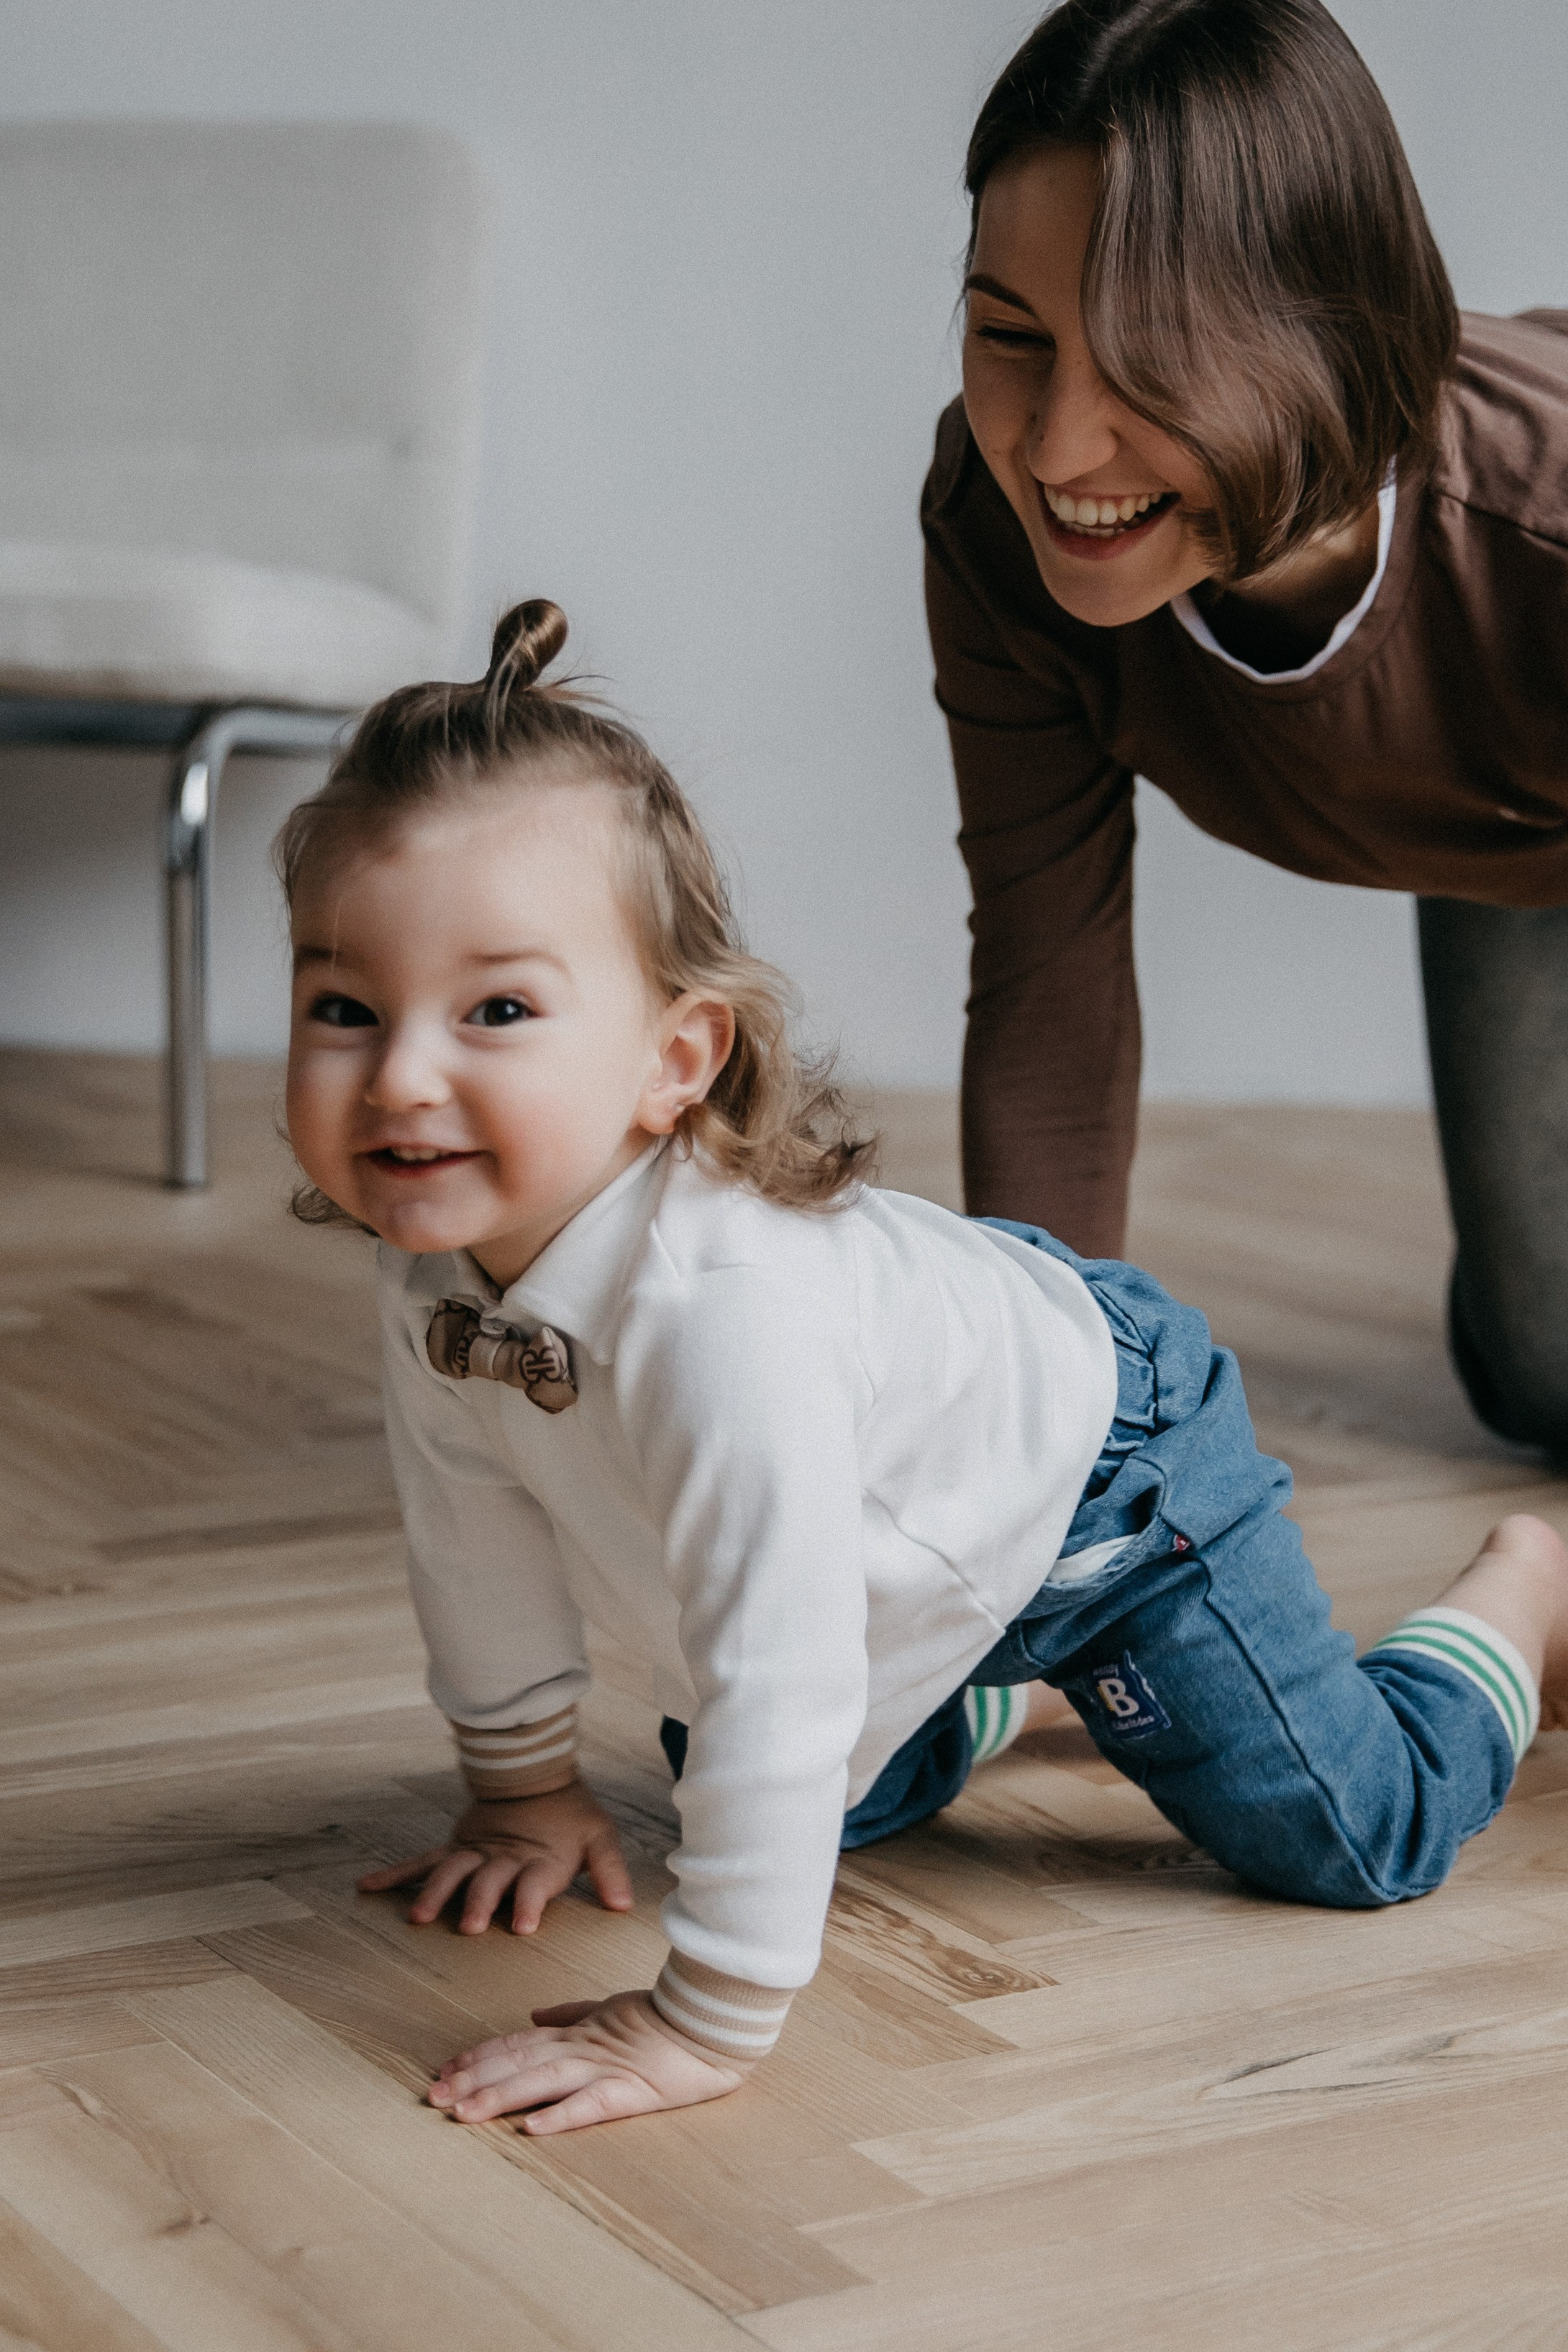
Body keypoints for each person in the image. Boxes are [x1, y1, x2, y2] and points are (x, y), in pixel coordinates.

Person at [280, 600, 1567, 2136]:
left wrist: (702, 2022)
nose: (402, 1076)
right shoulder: (436, 1254)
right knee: (804, 1802)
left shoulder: (720, 1312)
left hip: (1104, 1477)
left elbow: (779, 1663)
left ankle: (1519, 1593)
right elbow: (469, 1525)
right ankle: (972, 1689)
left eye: (497, 1010)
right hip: (902, 1518)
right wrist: (520, 1785)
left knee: (1351, 1839)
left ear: (673, 1062)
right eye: (344, 1007)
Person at [924, 0, 1568, 1449]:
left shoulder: (1542, 543)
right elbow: (1049, 990)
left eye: (1149, 361)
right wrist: (1037, 1440)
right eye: (1010, 337)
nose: (1057, 447)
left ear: (1330, 333)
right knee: (1546, 1372)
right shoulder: (990, 521)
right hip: (1504, 831)